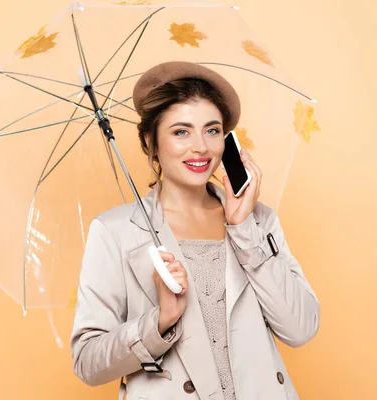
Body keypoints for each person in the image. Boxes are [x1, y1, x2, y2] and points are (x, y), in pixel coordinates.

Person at [70, 61, 320, 400]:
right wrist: (159, 322)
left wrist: (243, 228)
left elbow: (300, 328)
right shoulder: (114, 232)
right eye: (181, 132)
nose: (201, 147)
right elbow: (88, 361)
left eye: (212, 130)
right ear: (151, 142)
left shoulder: (258, 219)